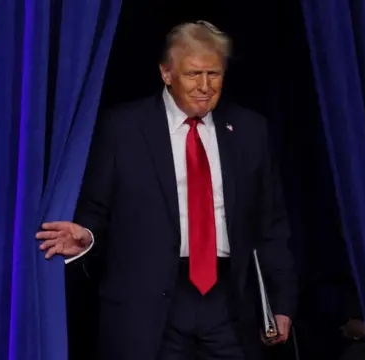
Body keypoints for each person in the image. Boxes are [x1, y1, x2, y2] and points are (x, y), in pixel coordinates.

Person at [37, 21, 297, 360]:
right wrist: (86, 234)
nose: (205, 86)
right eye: (193, 74)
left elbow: (271, 225)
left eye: (214, 74)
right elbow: (97, 208)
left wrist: (282, 303)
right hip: (148, 304)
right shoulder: (123, 129)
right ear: (166, 73)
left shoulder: (250, 130)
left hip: (229, 304)